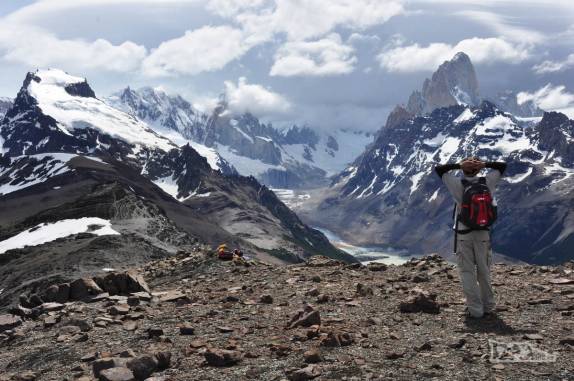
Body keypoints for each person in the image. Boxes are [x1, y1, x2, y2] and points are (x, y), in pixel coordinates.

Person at [435, 157, 507, 319]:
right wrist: (485, 164)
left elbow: (439, 169)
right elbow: (502, 166)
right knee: (484, 271)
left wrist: (459, 165)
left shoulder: (457, 184)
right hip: (483, 234)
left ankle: (475, 310)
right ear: (478, 170)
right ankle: (488, 306)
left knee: (467, 272)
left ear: (464, 170)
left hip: (463, 236)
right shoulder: (488, 182)